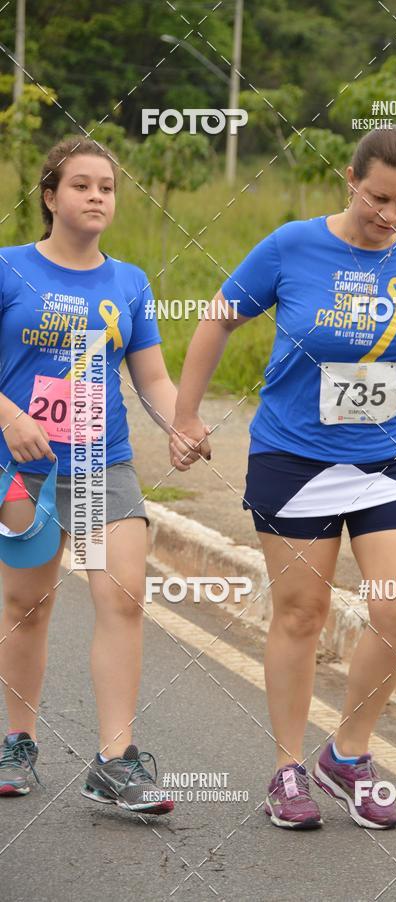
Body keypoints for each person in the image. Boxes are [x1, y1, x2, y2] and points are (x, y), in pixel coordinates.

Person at [172, 128, 396, 830]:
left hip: (390, 458)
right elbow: (217, 319)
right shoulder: (292, 246)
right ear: (351, 179)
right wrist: (185, 415)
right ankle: (287, 767)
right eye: (379, 198)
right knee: (301, 614)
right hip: (294, 457)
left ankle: (347, 754)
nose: (390, 216)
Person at [0, 136, 206, 814]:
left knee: (122, 597)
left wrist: (183, 421)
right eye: (81, 184)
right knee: (25, 608)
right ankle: (18, 743)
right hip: (23, 466)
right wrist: (8, 414)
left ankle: (115, 760)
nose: (96, 196)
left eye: (107, 187)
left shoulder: (129, 283)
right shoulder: (8, 269)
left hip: (99, 463)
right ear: (50, 195)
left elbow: (150, 377)